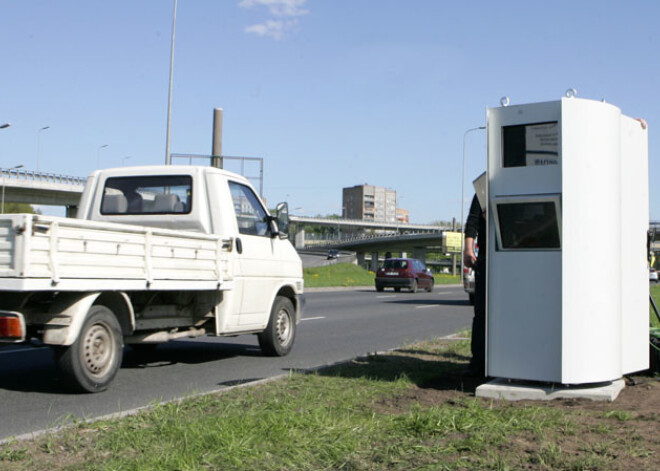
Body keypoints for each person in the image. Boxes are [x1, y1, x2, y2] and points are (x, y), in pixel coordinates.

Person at [463, 194, 486, 376]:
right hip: (487, 257)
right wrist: (469, 249)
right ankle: (478, 361)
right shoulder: (485, 184)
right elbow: (473, 220)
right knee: (482, 312)